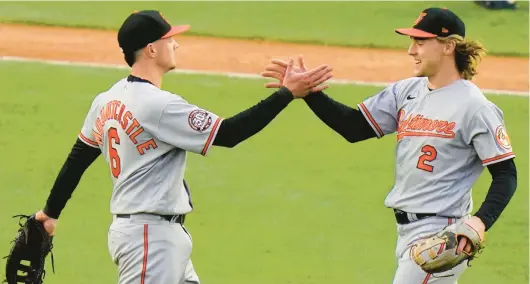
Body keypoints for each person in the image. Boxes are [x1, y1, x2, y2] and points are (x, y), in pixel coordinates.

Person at [32, 10, 333, 284]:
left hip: (156, 237)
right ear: (151, 49)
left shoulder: (107, 100)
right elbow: (229, 133)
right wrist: (287, 94)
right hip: (150, 242)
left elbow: (79, 157)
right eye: (169, 39)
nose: (175, 44)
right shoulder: (158, 105)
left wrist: (50, 213)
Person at [261, 7, 517, 284]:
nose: (411, 50)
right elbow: (355, 127)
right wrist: (309, 93)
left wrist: (479, 221)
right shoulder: (407, 91)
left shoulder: (475, 107)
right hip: (407, 232)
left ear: (448, 47)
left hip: (442, 234)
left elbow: (506, 175)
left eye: (420, 43)